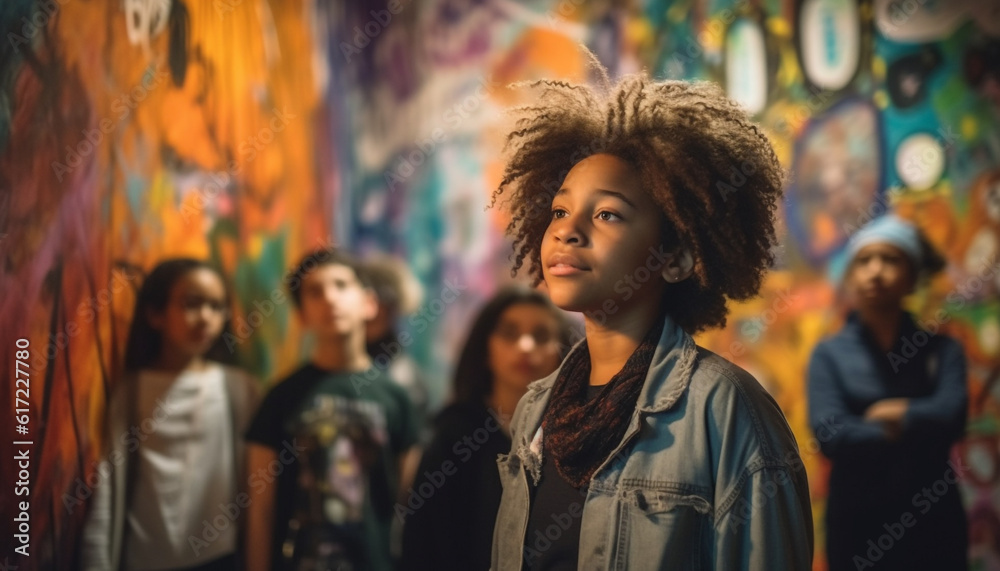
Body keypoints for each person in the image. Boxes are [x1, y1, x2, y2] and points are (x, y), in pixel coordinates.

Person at [488, 57, 813, 570]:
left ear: (677, 257)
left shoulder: (725, 410)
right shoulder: (537, 408)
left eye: (607, 214)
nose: (567, 231)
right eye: (559, 210)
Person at [808, 214, 968, 571]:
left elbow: (953, 417)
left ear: (912, 277)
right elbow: (830, 434)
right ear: (851, 276)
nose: (876, 271)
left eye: (890, 259)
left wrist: (890, 412)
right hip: (857, 526)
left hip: (935, 523)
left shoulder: (943, 351)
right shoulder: (829, 354)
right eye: (864, 260)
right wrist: (917, 420)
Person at [245, 248, 419, 571]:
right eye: (314, 291)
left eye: (341, 285)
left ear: (369, 303)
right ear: (303, 315)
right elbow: (261, 509)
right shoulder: (281, 398)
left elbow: (407, 502)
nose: (329, 298)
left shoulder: (396, 397)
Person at [81, 258, 260, 571]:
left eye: (217, 307)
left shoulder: (239, 389)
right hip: (143, 559)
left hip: (220, 558)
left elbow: (260, 488)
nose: (205, 317)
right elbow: (108, 484)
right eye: (191, 303)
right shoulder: (132, 391)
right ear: (155, 314)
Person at [400, 286, 573, 571]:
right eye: (509, 333)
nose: (525, 347)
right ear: (485, 348)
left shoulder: (571, 435)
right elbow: (424, 542)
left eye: (542, 336)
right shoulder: (455, 433)